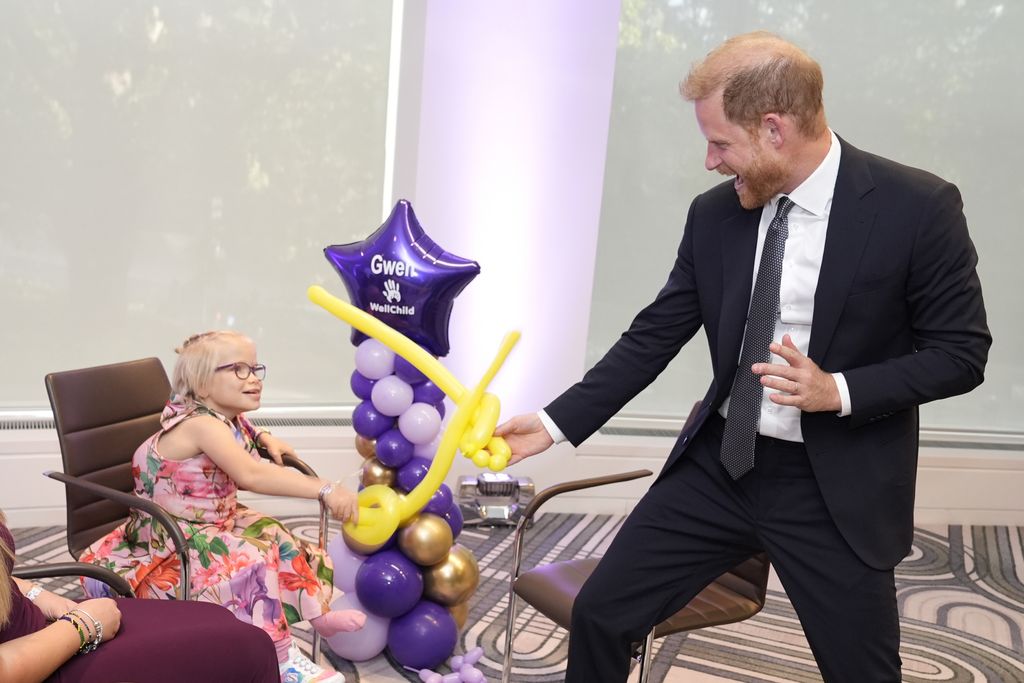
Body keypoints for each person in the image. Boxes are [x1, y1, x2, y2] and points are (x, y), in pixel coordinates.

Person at [495, 31, 990, 682]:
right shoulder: (713, 216)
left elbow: (962, 352)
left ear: (775, 129)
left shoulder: (917, 208)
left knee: (863, 672)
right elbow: (655, 333)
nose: (709, 161)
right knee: (601, 614)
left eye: (721, 142)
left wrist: (836, 389)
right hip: (721, 467)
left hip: (834, 485)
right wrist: (555, 422)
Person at [80, 330, 366, 683]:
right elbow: (250, 474)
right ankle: (279, 659)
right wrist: (323, 488)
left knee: (276, 534)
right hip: (169, 535)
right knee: (253, 562)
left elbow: (244, 431)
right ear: (202, 386)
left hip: (214, 518)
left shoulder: (223, 416)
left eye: (255, 368)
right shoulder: (200, 424)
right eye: (238, 370)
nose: (254, 380)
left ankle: (317, 612)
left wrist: (264, 437)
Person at [1, 510, 280, 682]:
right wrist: (82, 626)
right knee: (252, 649)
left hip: (41, 624)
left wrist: (37, 593)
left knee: (220, 617)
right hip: (38, 664)